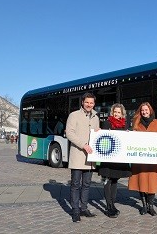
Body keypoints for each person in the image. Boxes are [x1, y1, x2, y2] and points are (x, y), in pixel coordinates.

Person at [66, 92, 100, 223]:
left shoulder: (96, 117)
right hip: (78, 155)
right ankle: (75, 210)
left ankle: (84, 208)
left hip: (90, 157)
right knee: (75, 184)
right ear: (82, 102)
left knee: (86, 184)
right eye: (87, 102)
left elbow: (97, 133)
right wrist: (83, 145)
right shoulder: (73, 115)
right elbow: (69, 133)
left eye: (91, 103)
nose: (89, 105)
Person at [128, 102, 157, 216]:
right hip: (140, 158)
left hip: (152, 159)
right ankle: (144, 206)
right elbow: (132, 139)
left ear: (150, 110)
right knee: (141, 181)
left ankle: (151, 206)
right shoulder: (136, 123)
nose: (144, 112)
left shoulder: (156, 123)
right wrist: (129, 134)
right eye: (142, 110)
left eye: (146, 110)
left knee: (152, 182)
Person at [98, 103, 132, 218]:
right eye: (115, 112)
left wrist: (128, 134)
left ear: (122, 114)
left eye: (119, 112)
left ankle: (112, 203)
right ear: (112, 113)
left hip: (119, 159)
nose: (117, 114)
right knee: (107, 179)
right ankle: (108, 205)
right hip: (108, 158)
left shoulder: (125, 125)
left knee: (115, 180)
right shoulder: (107, 123)